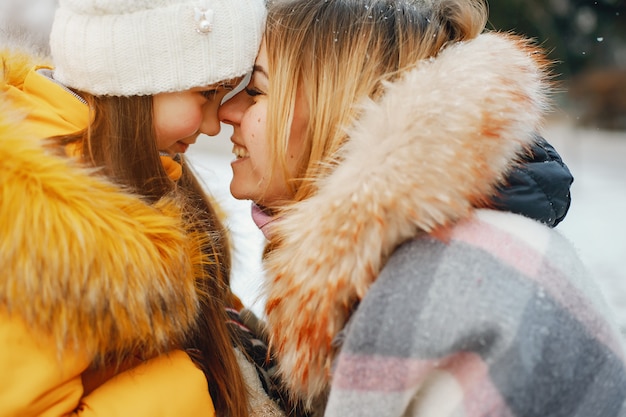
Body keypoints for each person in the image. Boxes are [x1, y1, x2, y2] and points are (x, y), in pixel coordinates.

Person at [218, 0, 626, 416]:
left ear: (336, 103)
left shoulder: (443, 285)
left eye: (255, 91)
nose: (226, 112)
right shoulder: (410, 259)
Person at [1, 0, 284, 416]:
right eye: (206, 93)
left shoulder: (136, 176)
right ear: (134, 76)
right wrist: (190, 384)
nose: (212, 124)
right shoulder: (38, 220)